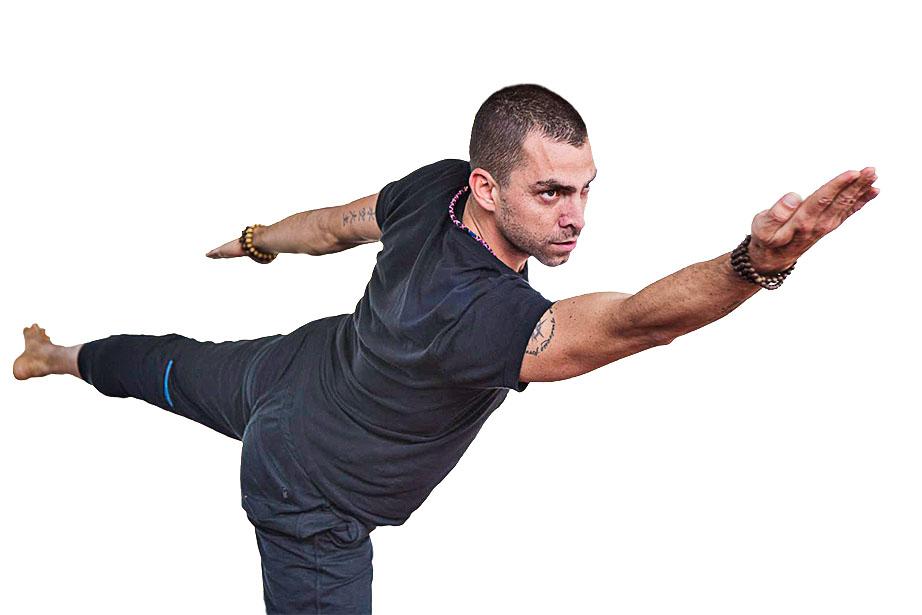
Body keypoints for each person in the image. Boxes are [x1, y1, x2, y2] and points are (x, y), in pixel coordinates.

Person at [13, 83, 880, 614]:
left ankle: (50, 356)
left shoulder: (434, 190)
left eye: (585, 190)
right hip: (309, 495)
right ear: (487, 186)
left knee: (165, 363)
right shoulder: (486, 321)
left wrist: (256, 239)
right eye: (551, 193)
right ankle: (54, 358)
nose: (576, 216)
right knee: (168, 370)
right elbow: (636, 322)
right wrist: (755, 262)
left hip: (293, 369)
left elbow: (331, 226)